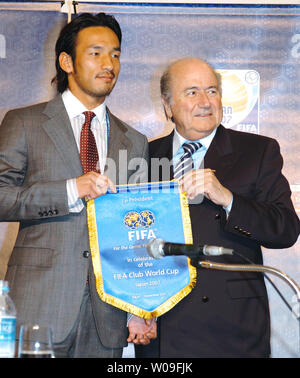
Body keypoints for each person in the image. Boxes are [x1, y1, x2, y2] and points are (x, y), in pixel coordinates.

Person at [0, 12, 156, 358]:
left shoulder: (135, 141)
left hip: (108, 315)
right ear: (66, 61)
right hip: (40, 305)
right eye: (96, 52)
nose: (109, 64)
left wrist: (139, 306)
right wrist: (72, 190)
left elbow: (138, 230)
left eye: (115, 54)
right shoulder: (24, 122)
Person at [136, 57, 300, 358]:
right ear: (167, 105)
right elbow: (127, 241)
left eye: (212, 91)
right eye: (192, 92)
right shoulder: (144, 155)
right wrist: (133, 308)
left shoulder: (258, 150)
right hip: (163, 326)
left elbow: (286, 229)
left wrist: (229, 199)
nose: (205, 102)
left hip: (232, 328)